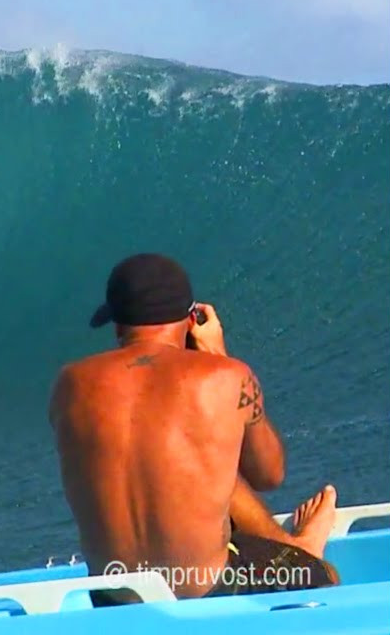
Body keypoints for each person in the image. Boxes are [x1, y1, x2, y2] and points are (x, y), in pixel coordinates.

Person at [48, 253, 340, 605]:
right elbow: (269, 474)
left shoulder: (69, 384)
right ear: (192, 319)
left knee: (193, 459)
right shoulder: (226, 375)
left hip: (113, 597)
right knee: (324, 575)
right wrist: (218, 356)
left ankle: (292, 544)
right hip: (205, 589)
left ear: (117, 324)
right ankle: (303, 549)